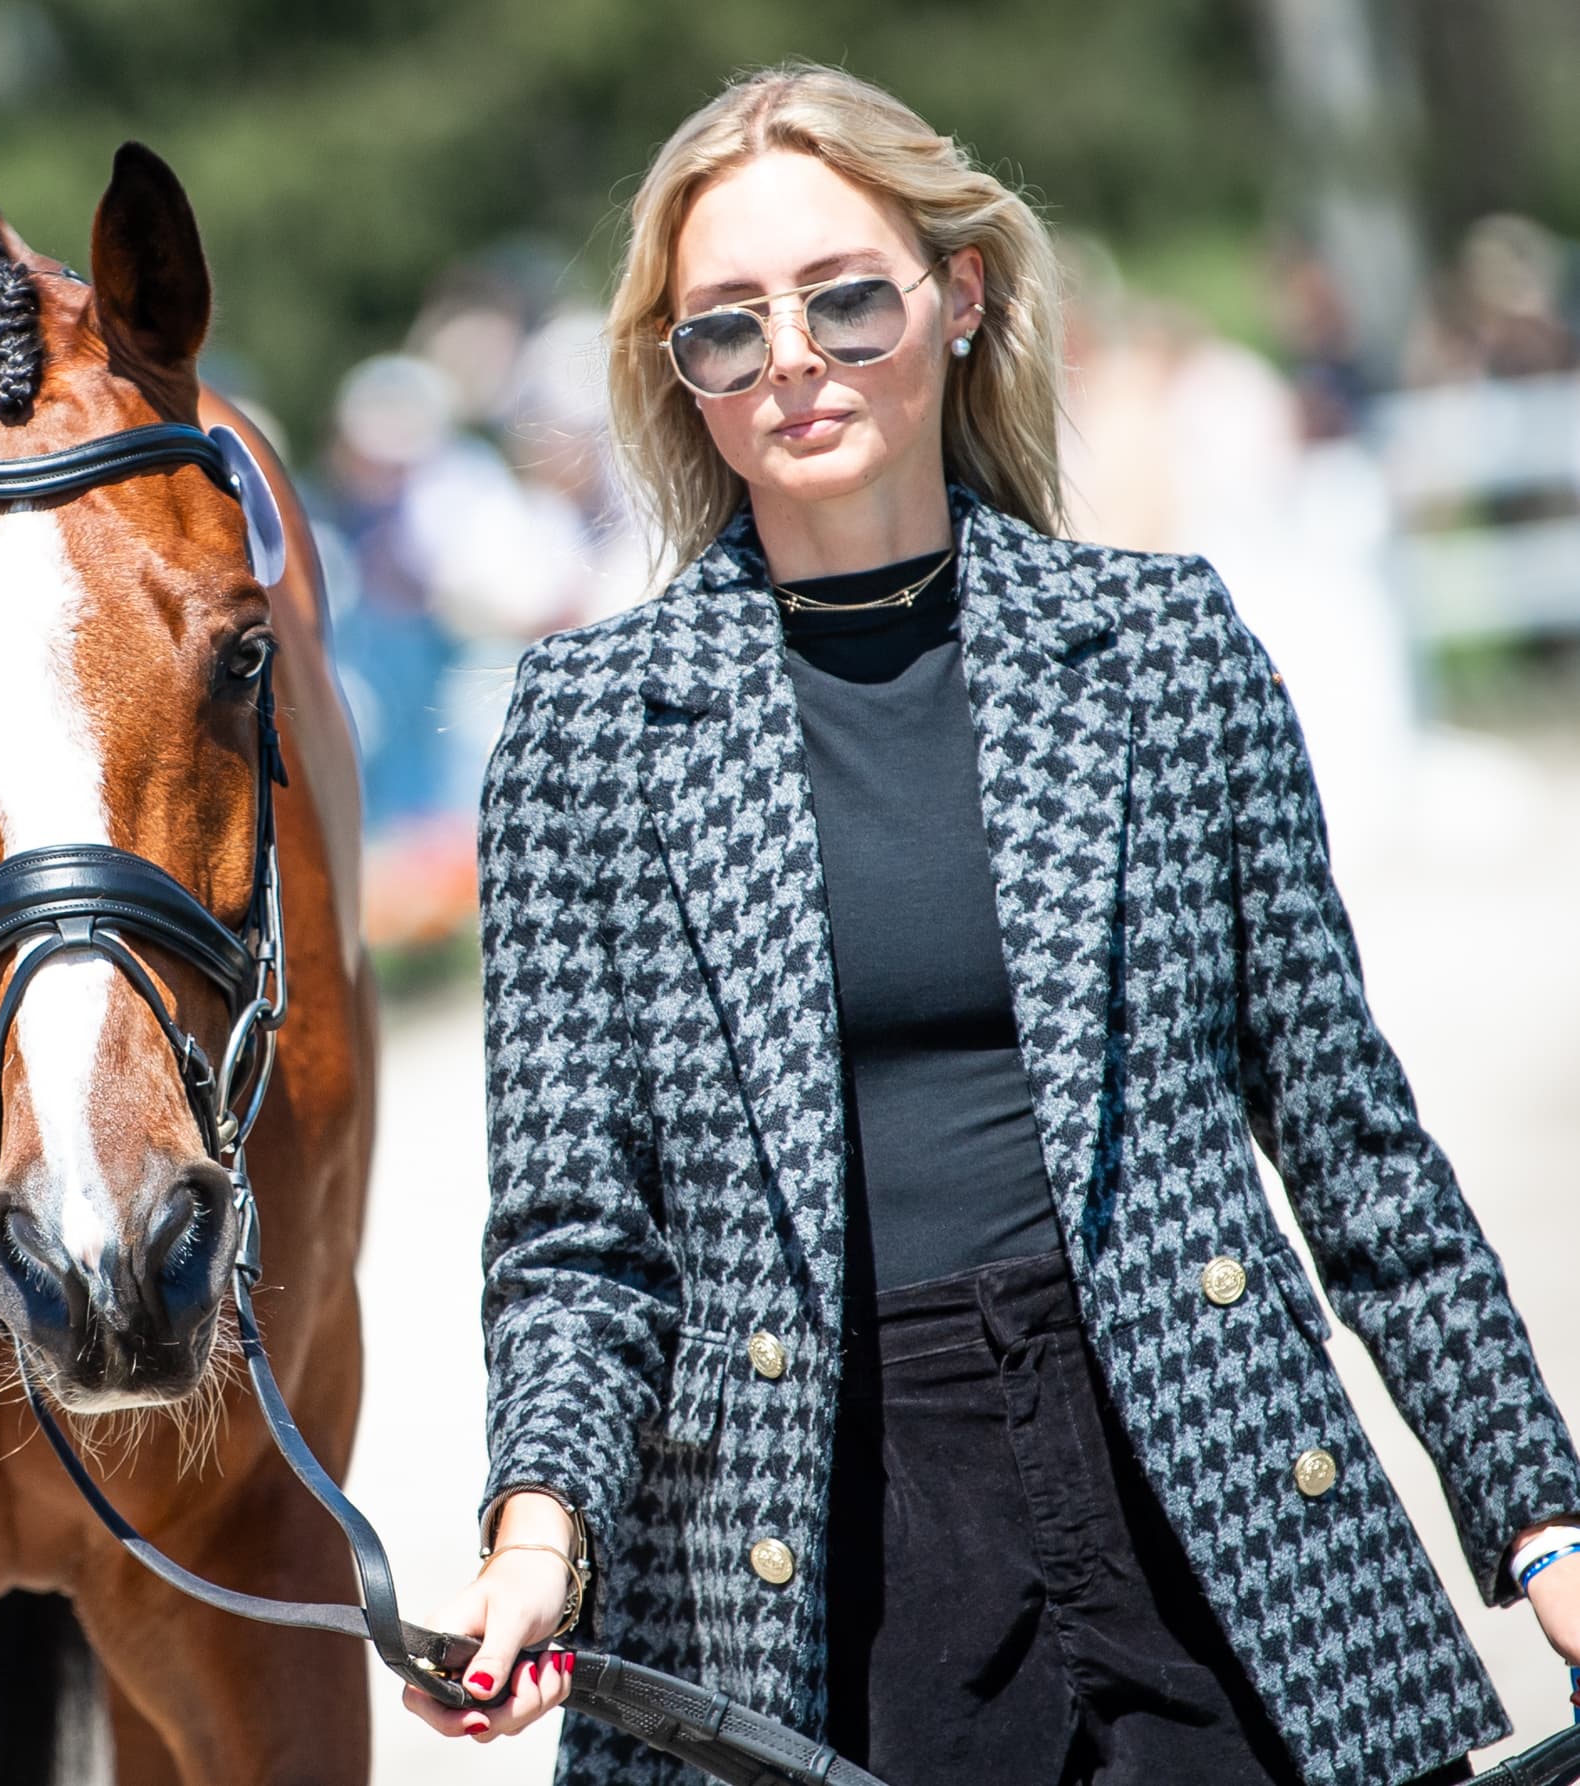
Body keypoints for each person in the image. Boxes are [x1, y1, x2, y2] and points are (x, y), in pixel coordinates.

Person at [401, 58, 1580, 1786]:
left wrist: (1545, 1521)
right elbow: (579, 1239)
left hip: (1206, 1487)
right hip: (811, 1555)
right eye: (727, 326)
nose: (792, 357)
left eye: (845, 298)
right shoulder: (591, 731)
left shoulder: (1164, 652)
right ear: (679, 372)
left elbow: (1351, 1139)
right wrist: (536, 1541)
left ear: (958, 296)